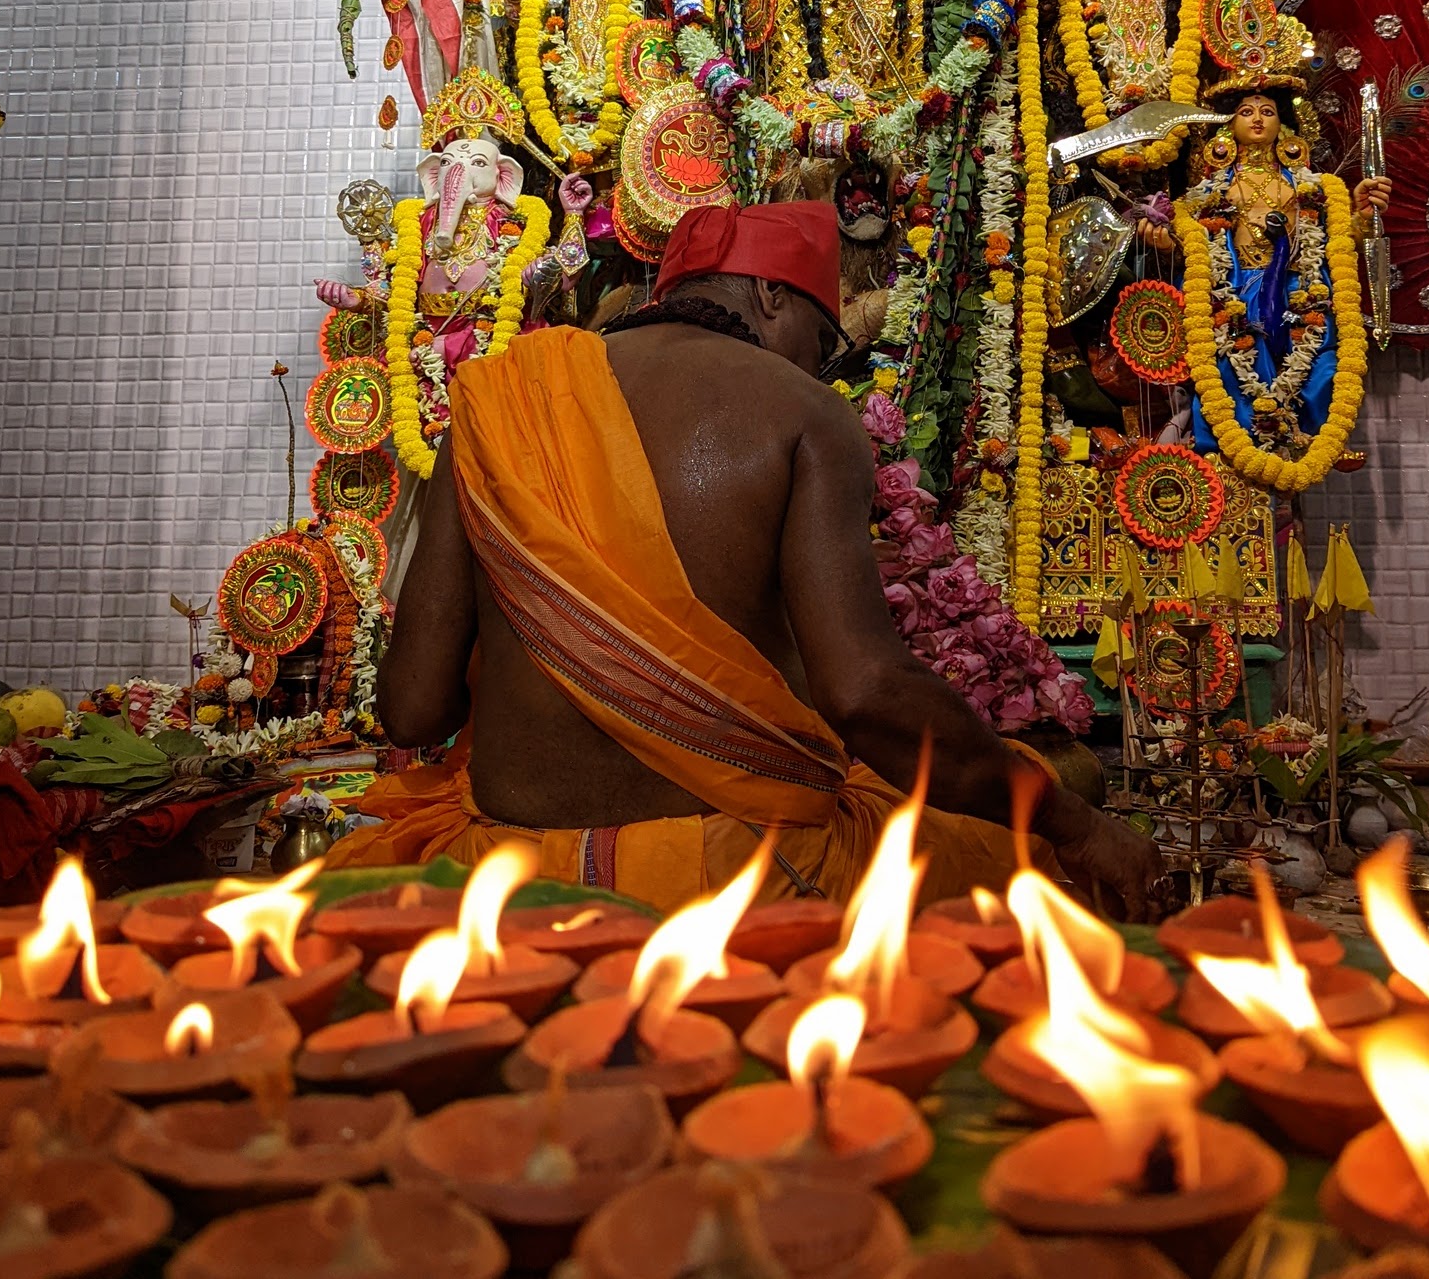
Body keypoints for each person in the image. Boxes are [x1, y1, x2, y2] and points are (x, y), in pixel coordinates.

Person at [327, 199, 1167, 920]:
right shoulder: (805, 413)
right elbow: (866, 692)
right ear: (771, 293)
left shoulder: (498, 402)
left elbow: (410, 708)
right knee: (1003, 867)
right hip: (740, 886)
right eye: (823, 335)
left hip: (509, 889)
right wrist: (1073, 825)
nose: (819, 362)